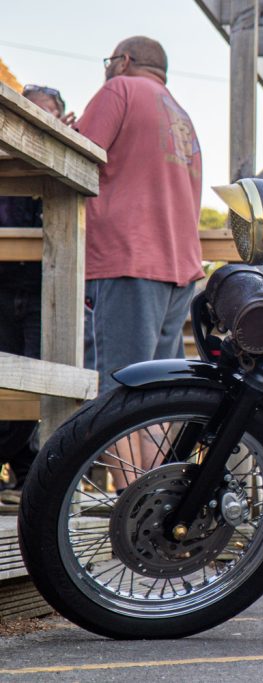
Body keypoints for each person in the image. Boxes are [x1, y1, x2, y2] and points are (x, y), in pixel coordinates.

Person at [74, 36, 203, 489]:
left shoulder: (120, 90)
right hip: (178, 264)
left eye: (110, 61)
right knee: (155, 397)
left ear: (124, 60)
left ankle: (131, 504)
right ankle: (156, 501)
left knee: (118, 389)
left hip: (128, 258)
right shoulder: (180, 114)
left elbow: (75, 158)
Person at [0, 84, 73, 504]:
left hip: (46, 287)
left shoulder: (65, 157)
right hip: (3, 284)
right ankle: (19, 471)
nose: (36, 122)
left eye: (45, 115)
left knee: (43, 383)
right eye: (28, 114)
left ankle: (34, 476)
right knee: (7, 383)